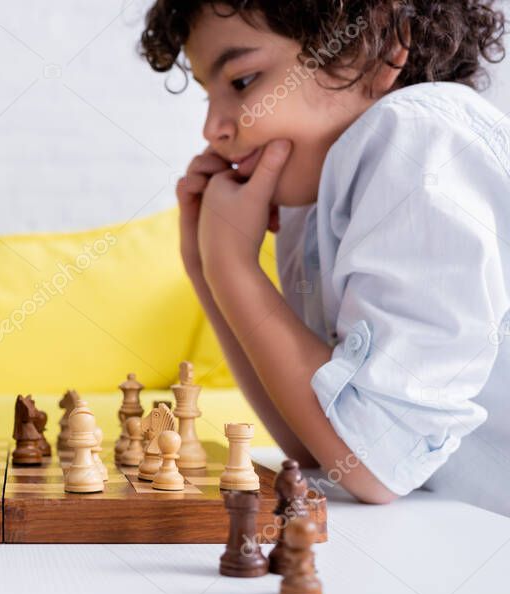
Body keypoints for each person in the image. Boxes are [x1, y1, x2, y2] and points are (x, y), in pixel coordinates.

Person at [141, 1, 510, 514]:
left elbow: (376, 463)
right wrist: (207, 268)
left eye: (242, 81)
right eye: (208, 94)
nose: (213, 129)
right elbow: (316, 441)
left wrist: (234, 269)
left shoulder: (417, 138)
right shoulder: (314, 197)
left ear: (377, 48)